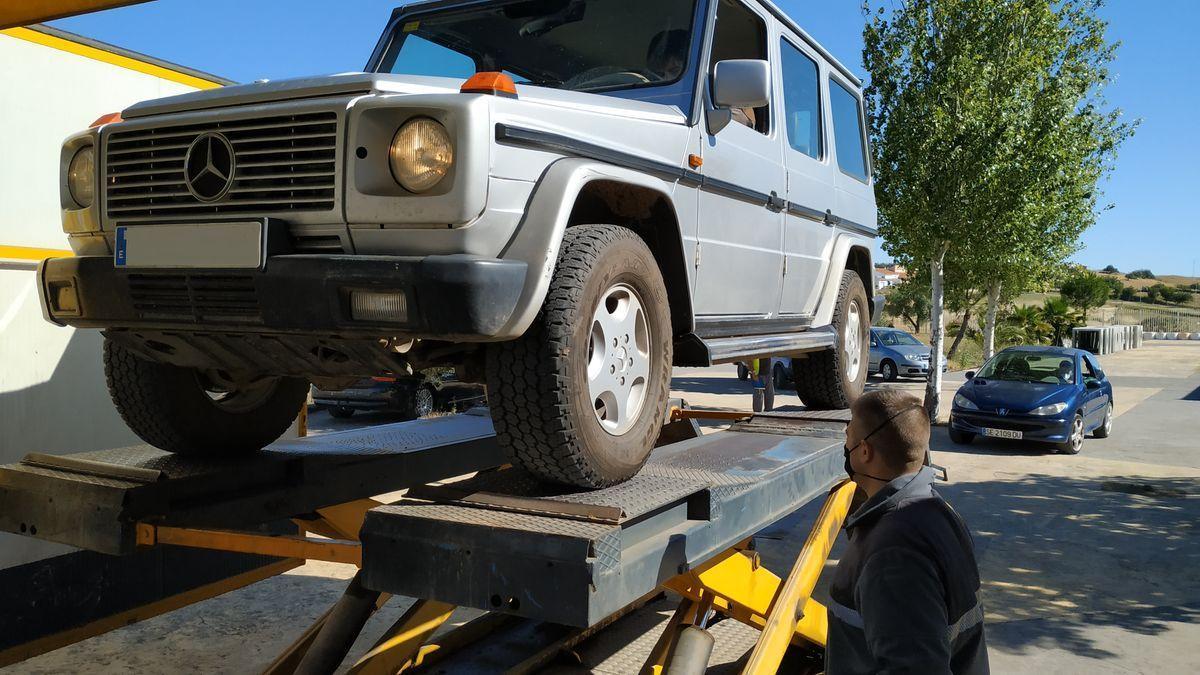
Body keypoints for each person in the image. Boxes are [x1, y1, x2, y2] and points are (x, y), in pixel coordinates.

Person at [828, 390, 989, 675]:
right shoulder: (938, 511)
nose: (845, 441)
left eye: (848, 434)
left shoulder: (894, 553)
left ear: (864, 452)